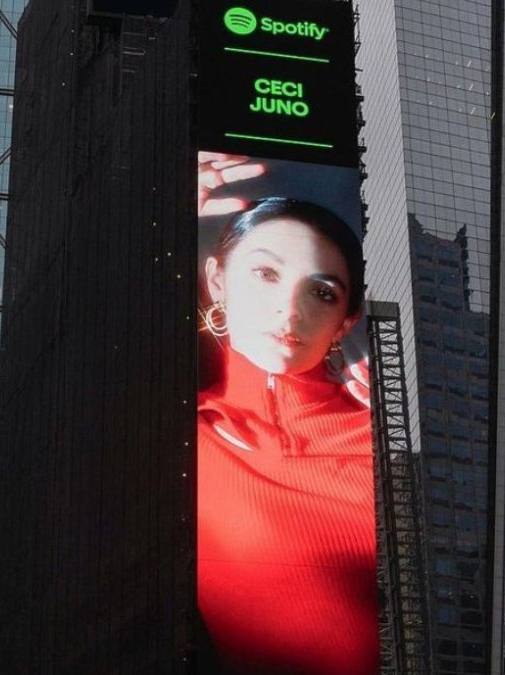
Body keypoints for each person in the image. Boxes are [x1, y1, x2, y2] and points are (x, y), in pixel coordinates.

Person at [196, 153, 378, 675]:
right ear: (218, 280)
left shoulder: (382, 436)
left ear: (345, 322)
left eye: (322, 293)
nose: (290, 310)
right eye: (266, 273)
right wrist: (149, 202)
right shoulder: (182, 433)